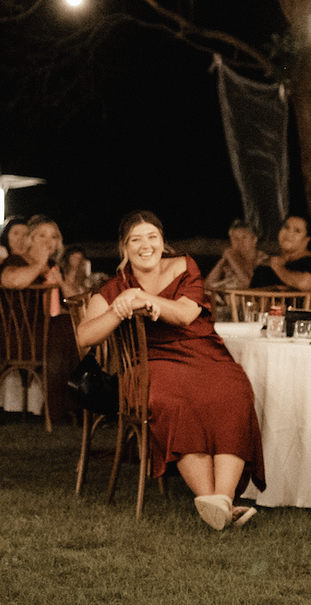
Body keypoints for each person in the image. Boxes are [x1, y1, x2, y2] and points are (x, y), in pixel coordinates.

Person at [76, 211, 264, 530]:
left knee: (234, 392)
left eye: (152, 237)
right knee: (173, 401)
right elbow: (84, 337)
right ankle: (214, 503)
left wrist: (142, 298)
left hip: (203, 351)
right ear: (124, 248)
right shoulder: (114, 287)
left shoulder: (184, 266)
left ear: (164, 243)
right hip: (149, 362)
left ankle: (223, 497)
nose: (145, 245)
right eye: (136, 239)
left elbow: (185, 315)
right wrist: (119, 309)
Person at [0, 214, 84, 418]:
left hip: (48, 331)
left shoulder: (53, 265)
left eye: (53, 237)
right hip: (19, 336)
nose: (48, 241)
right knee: (67, 328)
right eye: (42, 235)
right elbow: (13, 281)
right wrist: (39, 264)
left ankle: (74, 403)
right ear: (31, 239)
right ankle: (63, 407)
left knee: (76, 326)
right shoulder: (15, 261)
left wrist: (60, 280)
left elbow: (76, 301)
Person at [250, 214, 311, 297]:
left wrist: (279, 268)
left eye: (297, 231)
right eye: (286, 227)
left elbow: (305, 284)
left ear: (307, 239)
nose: (289, 233)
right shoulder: (266, 266)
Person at [203, 219, 263, 293]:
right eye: (235, 238)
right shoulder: (228, 260)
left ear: (254, 240)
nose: (239, 242)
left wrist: (231, 259)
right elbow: (208, 285)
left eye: (244, 237)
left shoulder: (262, 261)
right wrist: (222, 260)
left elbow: (247, 283)